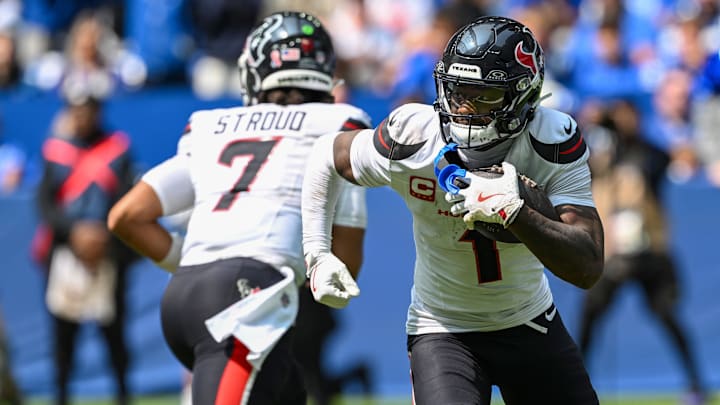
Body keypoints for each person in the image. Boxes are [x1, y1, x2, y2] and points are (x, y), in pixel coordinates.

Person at [302, 16, 605, 405]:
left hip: (530, 321)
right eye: (457, 91)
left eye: (484, 95)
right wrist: (316, 253)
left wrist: (516, 212)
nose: (464, 107)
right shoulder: (414, 135)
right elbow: (326, 155)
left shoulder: (550, 141)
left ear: (523, 96)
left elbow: (588, 265)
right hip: (442, 328)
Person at [107, 11, 372, 404]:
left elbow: (126, 216)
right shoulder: (339, 124)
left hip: (183, 298)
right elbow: (345, 272)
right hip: (249, 299)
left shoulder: (212, 125)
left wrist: (193, 264)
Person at [578, 99, 708, 405]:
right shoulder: (602, 157)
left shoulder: (649, 156)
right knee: (590, 319)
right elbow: (578, 165)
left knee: (666, 315)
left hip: (649, 252)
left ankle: (695, 384)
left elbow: (660, 162)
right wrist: (594, 125)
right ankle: (575, 384)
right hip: (612, 256)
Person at [36, 92, 136, 405]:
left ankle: (122, 394)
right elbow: (45, 204)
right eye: (76, 111)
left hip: (107, 254)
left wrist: (102, 235)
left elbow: (127, 197)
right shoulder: (55, 150)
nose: (82, 117)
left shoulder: (118, 148)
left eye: (87, 111)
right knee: (64, 336)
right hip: (66, 254)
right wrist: (73, 233)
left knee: (114, 333)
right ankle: (62, 395)